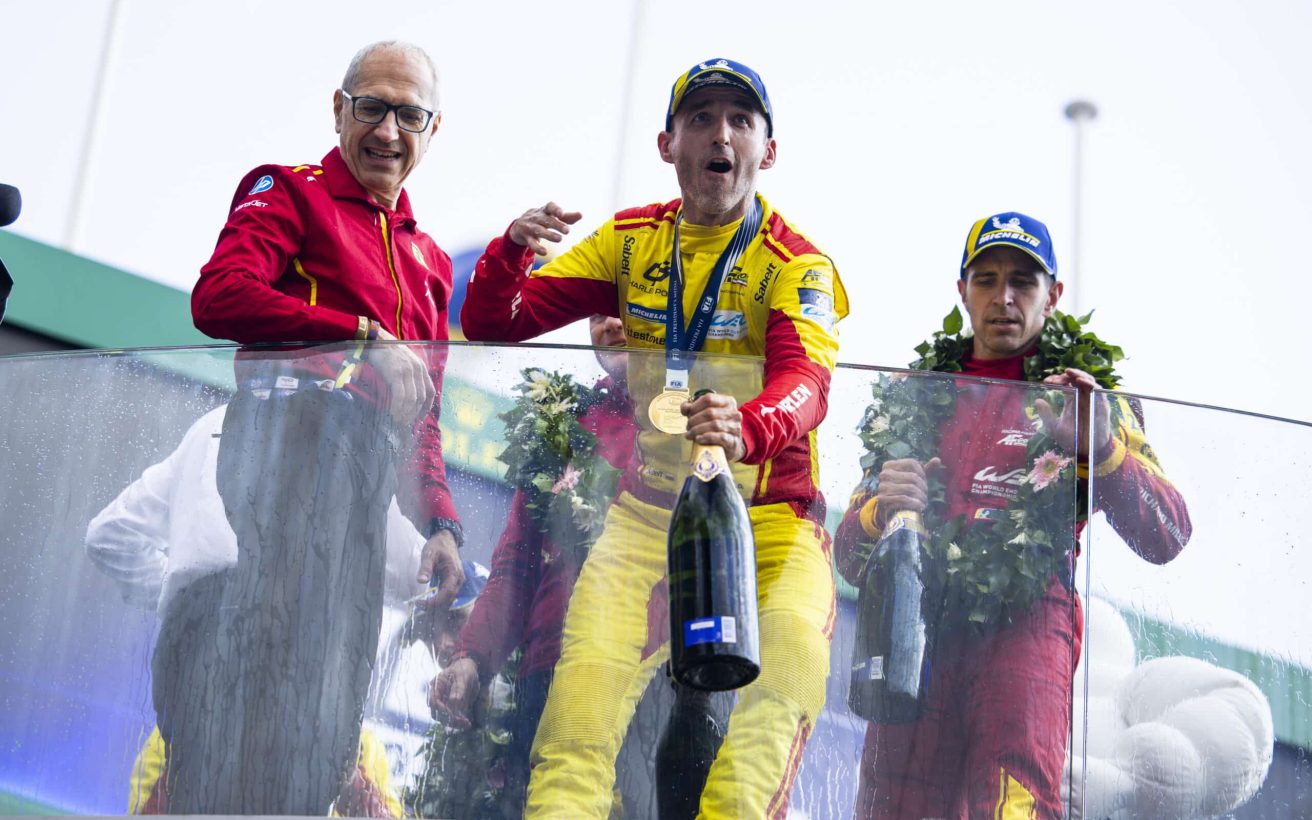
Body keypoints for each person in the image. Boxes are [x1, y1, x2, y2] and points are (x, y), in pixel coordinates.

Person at [461, 58, 848, 818]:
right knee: (577, 718)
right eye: (701, 118)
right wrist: (510, 251)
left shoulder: (797, 262)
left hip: (771, 523)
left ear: (767, 151)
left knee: (791, 676)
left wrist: (751, 424)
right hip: (646, 518)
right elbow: (492, 321)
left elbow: (811, 385)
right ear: (667, 144)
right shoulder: (631, 241)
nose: (721, 134)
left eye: (741, 120)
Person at [833, 211, 1192, 819]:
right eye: (987, 278)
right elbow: (848, 556)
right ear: (962, 291)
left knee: (1015, 805)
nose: (1004, 297)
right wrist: (876, 515)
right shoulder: (913, 391)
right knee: (892, 807)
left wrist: (1101, 448)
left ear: (1052, 295)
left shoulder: (1092, 397)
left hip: (1027, 623)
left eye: (1023, 282)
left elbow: (1169, 533)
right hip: (916, 625)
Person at [187, 41, 463, 815]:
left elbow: (423, 417)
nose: (388, 131)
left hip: (367, 476)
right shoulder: (288, 192)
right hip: (290, 441)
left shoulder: (430, 260)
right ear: (338, 110)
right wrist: (362, 337)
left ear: (433, 130)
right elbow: (218, 297)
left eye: (410, 114)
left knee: (337, 685)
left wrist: (441, 524)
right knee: (280, 657)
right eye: (371, 106)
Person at [83, 404, 438, 816]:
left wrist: (183, 601)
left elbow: (106, 535)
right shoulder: (341, 428)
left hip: (194, 659)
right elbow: (416, 574)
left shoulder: (210, 424)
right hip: (293, 669)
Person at [428, 315, 638, 811]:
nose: (609, 321)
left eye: (627, 302)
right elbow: (516, 566)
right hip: (550, 677)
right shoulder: (563, 422)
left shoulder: (704, 417)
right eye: (596, 310)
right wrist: (471, 658)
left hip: (655, 682)